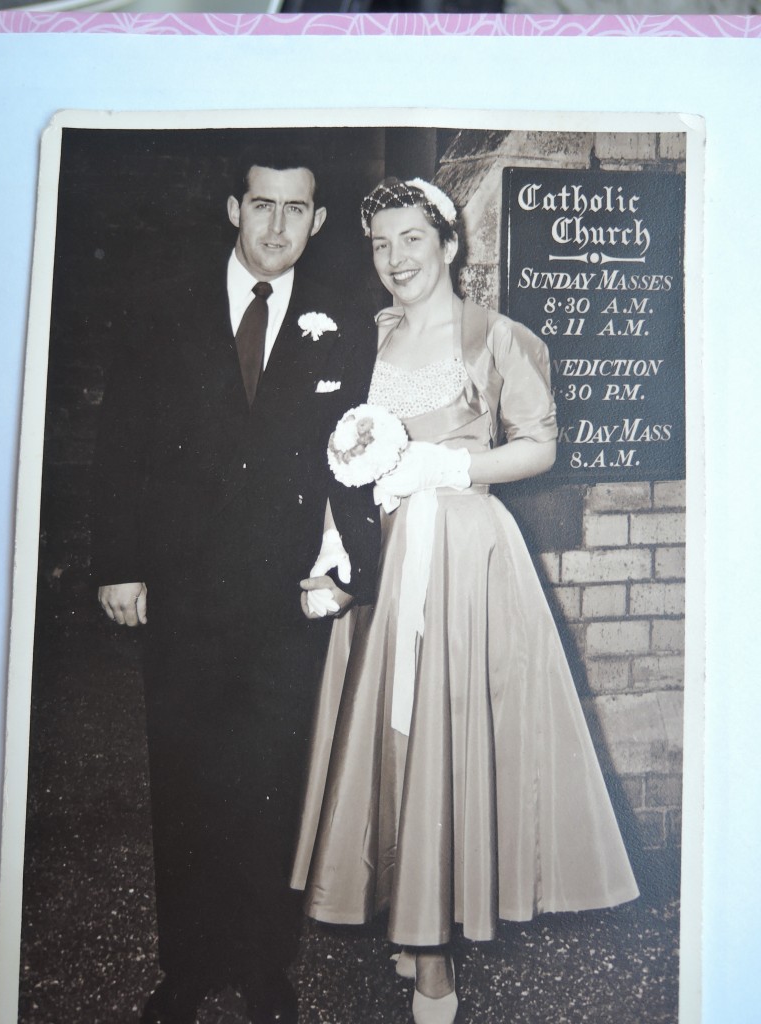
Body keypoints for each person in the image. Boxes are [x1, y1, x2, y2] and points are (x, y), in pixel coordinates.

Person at [292, 178, 639, 1024]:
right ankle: (412, 926)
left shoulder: (497, 337)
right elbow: (346, 455)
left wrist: (456, 467)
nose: (396, 259)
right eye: (381, 244)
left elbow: (541, 445)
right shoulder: (365, 340)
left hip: (465, 559)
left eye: (413, 239)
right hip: (386, 562)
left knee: (450, 730)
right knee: (391, 733)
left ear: (449, 244)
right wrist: (336, 548)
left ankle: (434, 946)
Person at [92, 144, 380, 1024]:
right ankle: (186, 967)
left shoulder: (344, 319)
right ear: (234, 208)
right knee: (182, 775)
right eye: (263, 206)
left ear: (319, 221)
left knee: (268, 777)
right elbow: (122, 440)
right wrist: (118, 562)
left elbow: (360, 456)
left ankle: (261, 965)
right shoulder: (162, 307)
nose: (278, 227)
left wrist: (347, 569)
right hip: (180, 587)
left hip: (281, 593)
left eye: (297, 211)